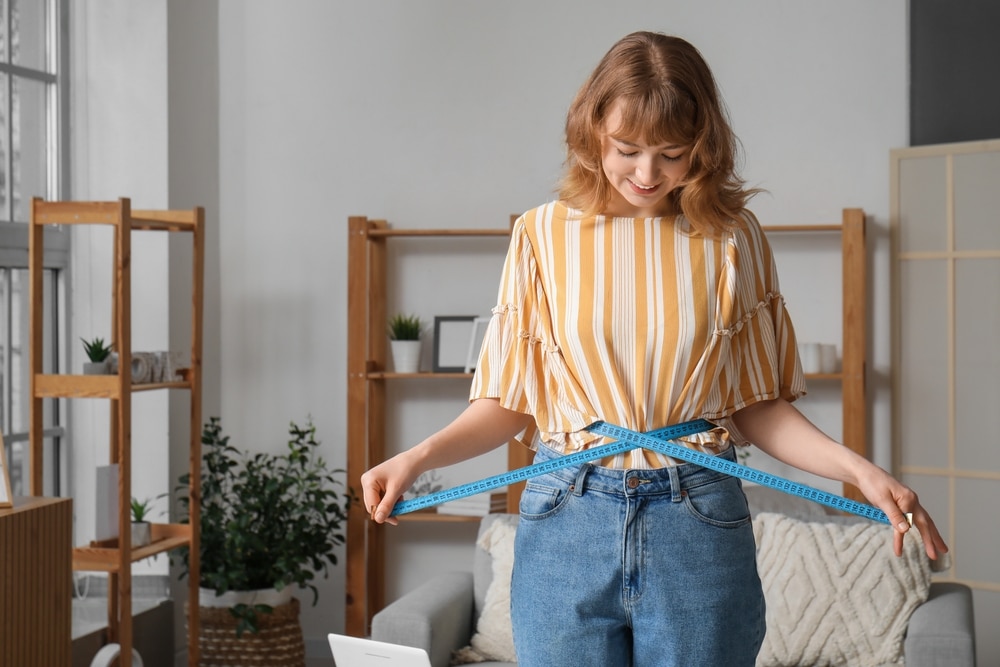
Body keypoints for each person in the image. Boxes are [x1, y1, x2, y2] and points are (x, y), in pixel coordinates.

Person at [361, 31, 948, 666]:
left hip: (696, 517)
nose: (647, 174)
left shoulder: (731, 239)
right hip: (566, 516)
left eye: (671, 153)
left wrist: (860, 472)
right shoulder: (541, 236)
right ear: (593, 131)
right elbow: (511, 403)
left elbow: (758, 407)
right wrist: (415, 459)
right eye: (627, 149)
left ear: (703, 144)